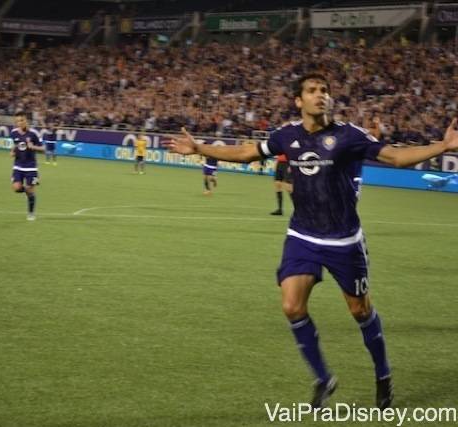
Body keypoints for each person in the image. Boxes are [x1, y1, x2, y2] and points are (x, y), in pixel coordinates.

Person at [164, 73, 458, 409]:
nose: (321, 95)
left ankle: (382, 374)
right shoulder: (286, 136)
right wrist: (200, 149)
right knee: (291, 305)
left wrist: (444, 146)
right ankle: (322, 378)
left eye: (325, 91)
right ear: (298, 100)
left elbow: (395, 157)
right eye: (312, 90)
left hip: (344, 241)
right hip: (303, 235)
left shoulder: (349, 136)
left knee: (360, 311)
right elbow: (247, 152)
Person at [10, 112, 45, 221]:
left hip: (31, 167)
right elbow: (15, 145)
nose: (19, 123)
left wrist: (33, 146)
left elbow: (43, 149)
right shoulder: (14, 133)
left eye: (22, 120)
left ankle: (31, 213)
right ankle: (28, 193)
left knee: (31, 190)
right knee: (16, 187)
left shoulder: (34, 133)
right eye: (17, 121)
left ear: (26, 121)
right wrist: (12, 151)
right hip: (18, 166)